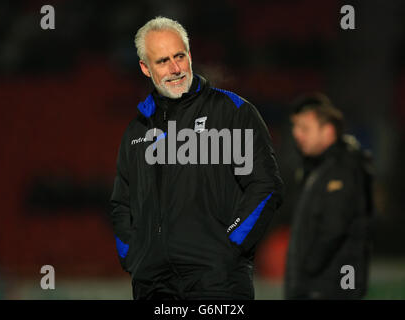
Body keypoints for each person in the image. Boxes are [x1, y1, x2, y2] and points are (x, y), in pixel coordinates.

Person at [109, 16, 284, 300]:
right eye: (163, 61)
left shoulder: (232, 111)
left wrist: (227, 247)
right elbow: (121, 203)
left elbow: (265, 187)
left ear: (190, 55)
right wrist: (134, 255)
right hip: (152, 286)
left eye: (180, 56)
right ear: (145, 67)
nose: (175, 68)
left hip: (217, 284)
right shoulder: (137, 130)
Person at [284, 93, 374, 299]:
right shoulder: (317, 168)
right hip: (318, 285)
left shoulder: (344, 167)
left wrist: (307, 269)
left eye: (304, 128)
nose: (297, 134)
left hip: (332, 286)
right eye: (295, 127)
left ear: (328, 131)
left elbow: (334, 227)